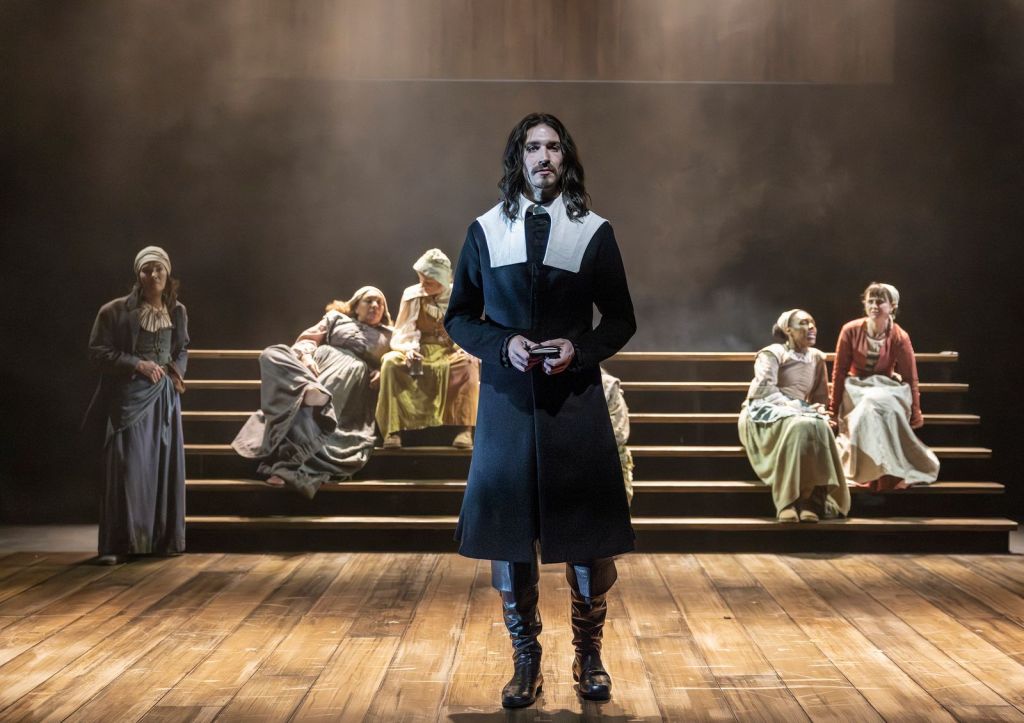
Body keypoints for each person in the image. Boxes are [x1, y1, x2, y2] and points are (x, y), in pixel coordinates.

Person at [445, 112, 636, 708]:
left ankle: (589, 656)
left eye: (553, 147)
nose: (544, 157)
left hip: (572, 401)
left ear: (566, 157)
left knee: (585, 537)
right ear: (518, 158)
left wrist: (582, 350)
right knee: (509, 537)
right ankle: (525, 661)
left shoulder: (593, 231)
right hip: (507, 404)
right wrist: (501, 344)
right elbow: (459, 316)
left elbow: (622, 320)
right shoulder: (484, 230)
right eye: (533, 147)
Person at [232, 287, 393, 499]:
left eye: (380, 303)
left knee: (312, 409)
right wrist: (307, 357)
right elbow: (307, 340)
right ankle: (306, 388)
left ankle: (286, 464)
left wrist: (384, 370)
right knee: (272, 353)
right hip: (316, 363)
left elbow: (399, 360)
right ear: (356, 306)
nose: (375, 306)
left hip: (350, 373)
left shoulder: (391, 334)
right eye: (369, 301)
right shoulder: (336, 318)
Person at [85, 246, 189, 565]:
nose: (153, 275)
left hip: (164, 400)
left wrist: (174, 374)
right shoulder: (114, 311)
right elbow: (98, 352)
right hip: (129, 400)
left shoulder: (178, 310)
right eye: (146, 270)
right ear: (138, 275)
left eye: (158, 269)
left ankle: (159, 541)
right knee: (128, 469)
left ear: (167, 272)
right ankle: (119, 544)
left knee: (161, 468)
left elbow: (182, 347)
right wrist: (137, 364)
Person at [738, 309, 850, 522]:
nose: (811, 328)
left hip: (799, 413)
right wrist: (798, 408)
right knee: (801, 426)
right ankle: (787, 501)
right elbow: (764, 391)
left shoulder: (816, 357)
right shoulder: (772, 353)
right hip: (763, 411)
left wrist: (822, 413)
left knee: (818, 425)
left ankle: (812, 502)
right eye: (803, 323)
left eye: (812, 323)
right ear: (787, 330)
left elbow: (820, 396)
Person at [829, 282, 940, 491]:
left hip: (887, 385)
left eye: (880, 301)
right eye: (870, 301)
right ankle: (868, 472)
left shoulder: (899, 336)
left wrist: (916, 408)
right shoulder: (850, 330)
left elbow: (910, 376)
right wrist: (833, 410)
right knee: (867, 408)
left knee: (885, 407)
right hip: (856, 387)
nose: (874, 305)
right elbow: (839, 371)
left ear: (892, 306)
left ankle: (891, 471)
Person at [375, 249, 479, 449]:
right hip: (418, 348)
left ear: (441, 281)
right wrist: (408, 349)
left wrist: (464, 347)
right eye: (422, 279)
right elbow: (402, 329)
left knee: (468, 365)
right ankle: (392, 430)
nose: (423, 285)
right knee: (390, 363)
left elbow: (467, 326)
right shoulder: (412, 294)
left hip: (448, 351)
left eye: (429, 282)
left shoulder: (457, 295)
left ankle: (464, 430)